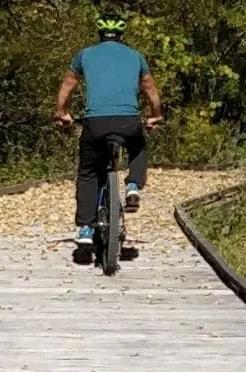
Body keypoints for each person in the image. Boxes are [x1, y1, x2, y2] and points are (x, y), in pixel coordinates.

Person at [55, 15, 164, 245]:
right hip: (128, 121)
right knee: (137, 145)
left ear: (100, 35)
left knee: (87, 172)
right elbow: (150, 89)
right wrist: (155, 115)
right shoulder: (136, 56)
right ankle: (133, 184)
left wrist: (62, 112)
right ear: (122, 37)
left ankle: (85, 228)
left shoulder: (84, 55)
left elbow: (67, 85)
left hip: (95, 123)